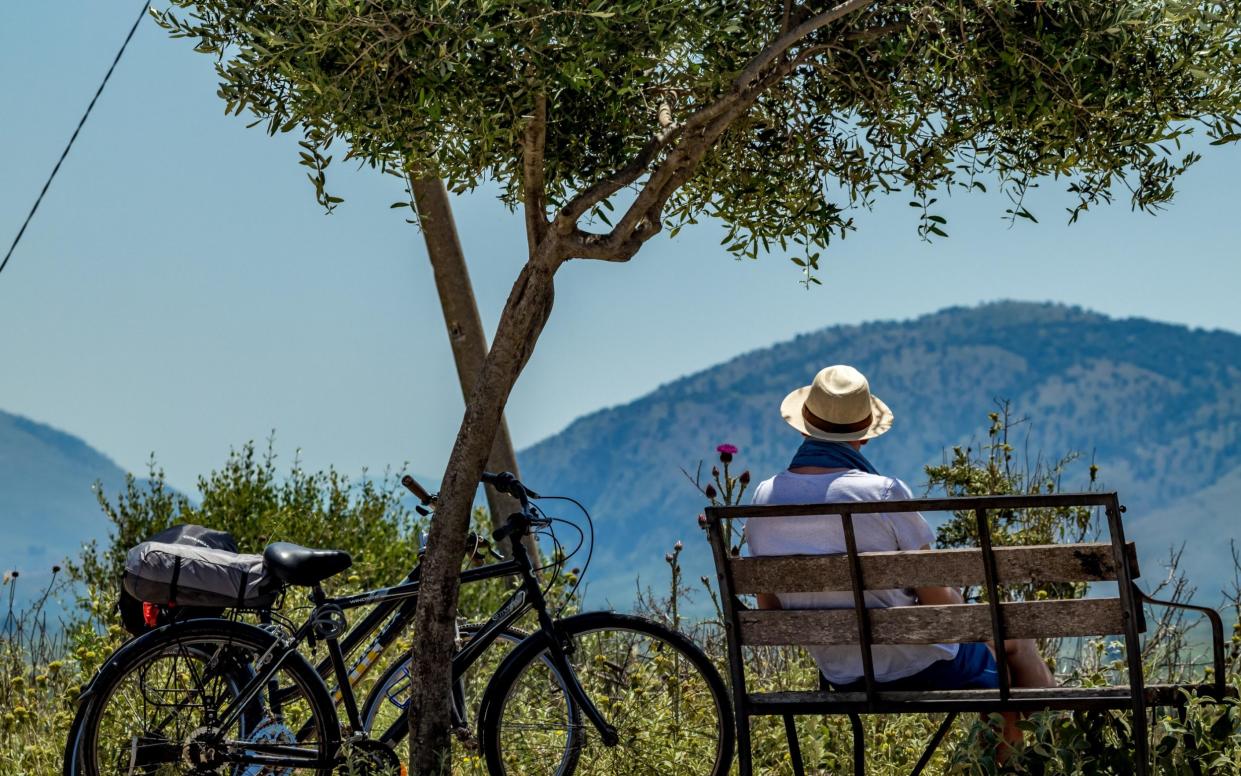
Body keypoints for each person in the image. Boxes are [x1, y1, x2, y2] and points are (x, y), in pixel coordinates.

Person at [744, 364, 1055, 751]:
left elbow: (770, 610)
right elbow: (938, 604)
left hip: (842, 671)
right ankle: (1032, 761)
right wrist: (967, 609)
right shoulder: (883, 493)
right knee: (1016, 644)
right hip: (916, 663)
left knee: (991, 648)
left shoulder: (762, 498)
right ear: (864, 437)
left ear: (804, 424)